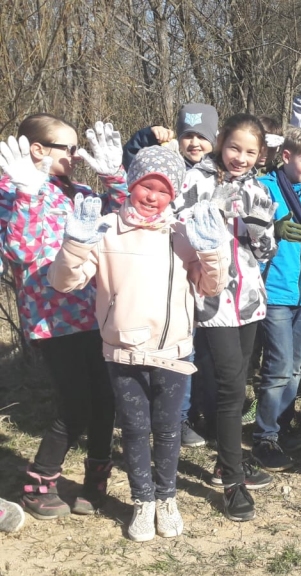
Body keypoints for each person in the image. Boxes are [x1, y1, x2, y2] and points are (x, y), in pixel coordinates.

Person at [48, 145, 230, 541]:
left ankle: (166, 498)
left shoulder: (181, 233)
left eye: (164, 191)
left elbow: (210, 287)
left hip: (173, 351)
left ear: (174, 195)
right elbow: (63, 282)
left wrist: (214, 252)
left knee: (167, 429)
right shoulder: (105, 229)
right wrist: (75, 243)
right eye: (147, 186)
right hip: (123, 351)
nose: (153, 197)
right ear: (131, 184)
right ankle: (143, 501)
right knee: (133, 429)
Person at [0, 116, 127, 520]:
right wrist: (27, 194)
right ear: (37, 149)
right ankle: (39, 483)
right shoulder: (9, 191)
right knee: (75, 404)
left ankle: (96, 480)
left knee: (105, 399)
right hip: (52, 320)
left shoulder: (79, 192)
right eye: (68, 149)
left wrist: (115, 177)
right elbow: (20, 251)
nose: (75, 156)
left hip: (96, 312)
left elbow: (126, 220)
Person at [182, 113, 278, 521]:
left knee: (239, 383)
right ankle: (232, 481)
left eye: (250, 152)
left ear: (261, 155)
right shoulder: (196, 180)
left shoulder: (258, 188)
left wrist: (258, 227)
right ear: (221, 143)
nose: (241, 157)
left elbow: (266, 251)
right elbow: (180, 233)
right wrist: (211, 222)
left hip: (250, 298)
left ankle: (228, 460)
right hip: (212, 298)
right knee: (229, 386)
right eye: (235, 147)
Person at [253, 127, 301, 469]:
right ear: (286, 156)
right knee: (278, 367)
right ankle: (264, 436)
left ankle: (281, 426)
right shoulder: (265, 189)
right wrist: (274, 229)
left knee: (295, 368)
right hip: (275, 292)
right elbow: (248, 232)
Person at [121, 103, 218, 169]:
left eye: (202, 137)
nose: (194, 143)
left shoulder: (222, 171)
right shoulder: (170, 167)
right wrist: (148, 137)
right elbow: (132, 165)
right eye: (188, 136)